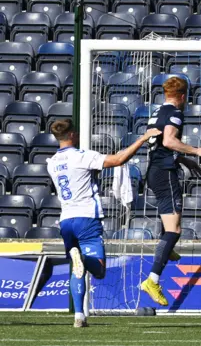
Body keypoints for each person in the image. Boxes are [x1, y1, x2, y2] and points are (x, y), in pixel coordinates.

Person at [47, 119, 161, 327]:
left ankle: (79, 316)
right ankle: (81, 257)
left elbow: (79, 178)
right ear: (73, 134)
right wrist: (143, 139)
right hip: (87, 218)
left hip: (66, 220)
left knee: (76, 269)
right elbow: (118, 160)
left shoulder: (52, 162)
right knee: (98, 270)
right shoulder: (82, 156)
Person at [140, 77, 201, 306]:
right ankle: (152, 280)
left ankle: (167, 249)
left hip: (153, 170)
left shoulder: (157, 112)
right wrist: (196, 151)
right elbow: (170, 141)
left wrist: (184, 160)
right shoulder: (176, 113)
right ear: (183, 97)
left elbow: (161, 144)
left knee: (169, 227)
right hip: (165, 173)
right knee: (175, 229)